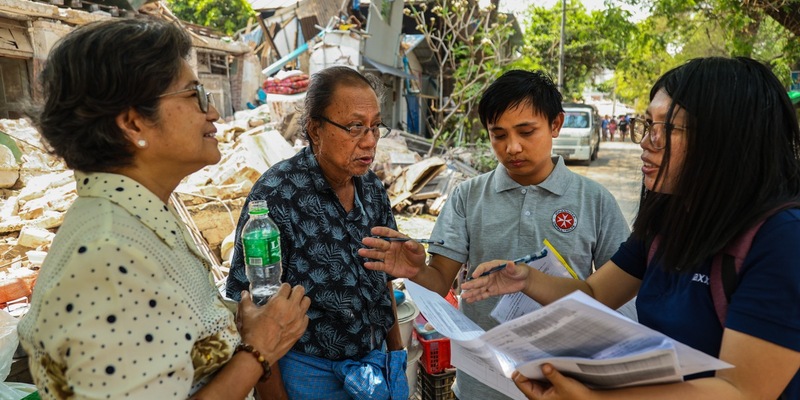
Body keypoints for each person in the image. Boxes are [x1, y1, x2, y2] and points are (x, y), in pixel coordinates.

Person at [462, 56, 800, 399]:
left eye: (667, 128)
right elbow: (595, 295)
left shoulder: (781, 239)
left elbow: (742, 390)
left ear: (727, 139)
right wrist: (527, 279)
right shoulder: (666, 221)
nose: (646, 142)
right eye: (648, 124)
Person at [17, 18, 311, 400]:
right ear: (133, 122)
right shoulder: (110, 254)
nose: (214, 113)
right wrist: (259, 350)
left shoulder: (139, 220)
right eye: (195, 95)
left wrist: (234, 325)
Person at [360, 69, 633, 400]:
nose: (512, 147)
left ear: (556, 125)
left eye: (526, 131)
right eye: (498, 135)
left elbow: (621, 299)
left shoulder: (594, 201)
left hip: (563, 384)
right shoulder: (468, 197)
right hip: (481, 386)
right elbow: (439, 282)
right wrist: (416, 271)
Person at [226, 66, 408, 399]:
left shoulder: (372, 190)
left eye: (375, 126)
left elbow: (385, 279)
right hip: (309, 378)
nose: (369, 141)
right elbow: (249, 311)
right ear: (315, 130)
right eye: (355, 127)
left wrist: (395, 357)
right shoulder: (275, 195)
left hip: (377, 365)